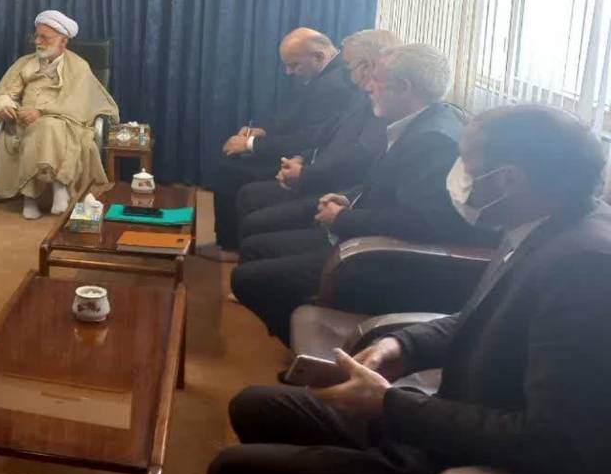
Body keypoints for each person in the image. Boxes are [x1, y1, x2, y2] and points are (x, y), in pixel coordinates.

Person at [208, 104, 611, 474]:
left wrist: (391, 405)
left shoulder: (582, 268)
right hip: (434, 416)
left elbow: (553, 441)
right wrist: (401, 345)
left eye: (465, 162)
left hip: (452, 449)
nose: (457, 176)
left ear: (509, 180)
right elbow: (478, 319)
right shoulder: (536, 223)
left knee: (233, 466)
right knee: (253, 404)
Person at [231, 44, 491, 344]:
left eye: (377, 81)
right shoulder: (418, 122)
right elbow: (381, 183)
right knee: (256, 246)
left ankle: (326, 354)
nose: (368, 88)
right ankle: (306, 343)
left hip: (382, 258)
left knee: (247, 279)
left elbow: (419, 222)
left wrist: (343, 218)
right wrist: (346, 199)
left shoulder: (433, 140)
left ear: (404, 87)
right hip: (363, 232)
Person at [232, 29, 400, 243]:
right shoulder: (360, 97)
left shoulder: (379, 107)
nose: (346, 74)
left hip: (333, 188)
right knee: (249, 198)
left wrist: (304, 174)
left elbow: (357, 158)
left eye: (348, 66)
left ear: (366, 67)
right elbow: (325, 133)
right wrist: (301, 158)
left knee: (254, 225)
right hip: (320, 173)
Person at [205, 27, 359, 260]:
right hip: (302, 151)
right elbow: (295, 118)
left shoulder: (335, 85)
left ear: (318, 56)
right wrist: (262, 132)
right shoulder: (325, 75)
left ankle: (230, 247)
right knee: (230, 163)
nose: (289, 72)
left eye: (294, 65)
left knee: (229, 170)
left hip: (308, 159)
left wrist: (252, 144)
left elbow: (309, 138)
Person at [0, 10, 119, 220]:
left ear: (63, 41)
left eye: (44, 37)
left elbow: (78, 103)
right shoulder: (24, 63)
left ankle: (32, 198)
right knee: (40, 127)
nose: (38, 42)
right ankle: (59, 189)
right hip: (24, 122)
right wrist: (4, 106)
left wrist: (41, 112)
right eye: (36, 36)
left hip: (67, 124)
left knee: (48, 126)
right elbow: (5, 92)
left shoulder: (79, 67)